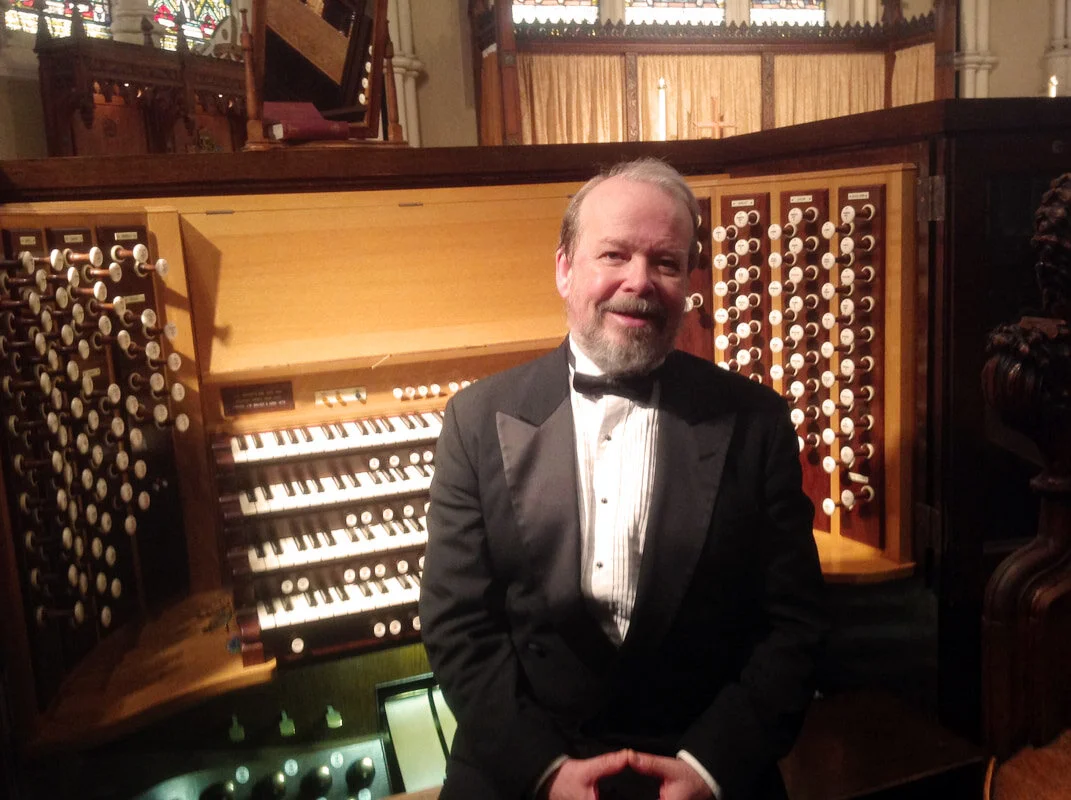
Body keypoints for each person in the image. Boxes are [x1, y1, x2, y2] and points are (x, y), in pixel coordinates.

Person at [419, 158, 828, 800]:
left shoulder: (756, 422)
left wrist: (710, 767)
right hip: (525, 759)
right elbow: (457, 623)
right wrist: (543, 771)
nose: (640, 281)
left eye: (666, 263)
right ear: (564, 269)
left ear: (688, 282)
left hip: (699, 756)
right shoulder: (476, 419)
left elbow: (794, 624)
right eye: (614, 254)